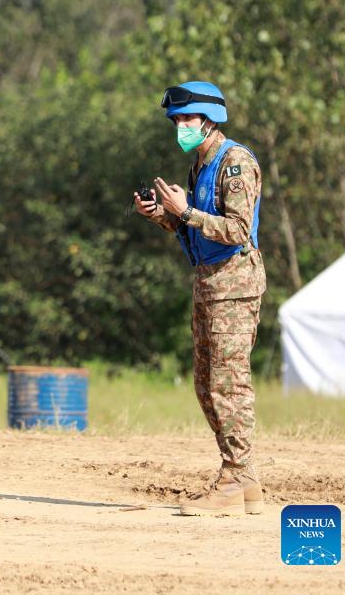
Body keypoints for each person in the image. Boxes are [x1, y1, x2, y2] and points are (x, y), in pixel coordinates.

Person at [135, 80, 266, 517]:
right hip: (209, 282)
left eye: (187, 119)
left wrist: (186, 210)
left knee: (228, 385)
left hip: (235, 283)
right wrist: (164, 215)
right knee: (206, 385)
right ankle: (243, 480)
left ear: (211, 119)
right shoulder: (201, 164)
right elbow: (193, 229)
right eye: (176, 120)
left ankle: (234, 477)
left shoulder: (235, 163)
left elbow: (237, 230)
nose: (180, 127)